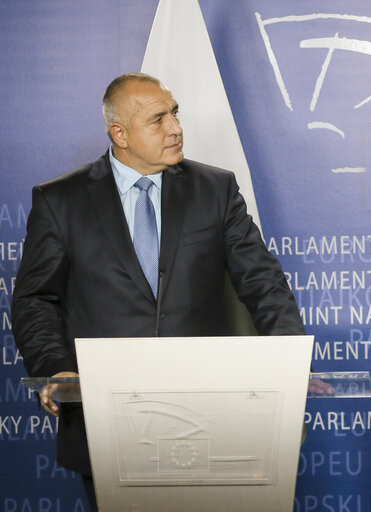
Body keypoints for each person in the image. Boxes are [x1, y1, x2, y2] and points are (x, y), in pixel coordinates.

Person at [11, 72, 306, 509]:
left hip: (211, 413)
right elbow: (36, 299)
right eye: (158, 120)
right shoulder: (61, 201)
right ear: (120, 134)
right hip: (109, 417)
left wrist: (289, 359)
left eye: (175, 113)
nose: (176, 128)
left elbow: (263, 283)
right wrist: (56, 369)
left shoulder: (216, 188)